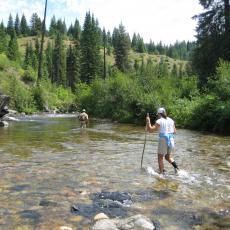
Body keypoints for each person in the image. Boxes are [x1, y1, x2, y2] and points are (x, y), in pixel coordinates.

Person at [146, 107, 179, 174]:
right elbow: (175, 131)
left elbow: (150, 130)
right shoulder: (171, 120)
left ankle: (161, 173)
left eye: (158, 114)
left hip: (163, 139)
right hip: (171, 139)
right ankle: (177, 168)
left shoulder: (159, 121)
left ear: (159, 114)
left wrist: (148, 121)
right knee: (167, 157)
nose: (157, 116)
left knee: (160, 157)